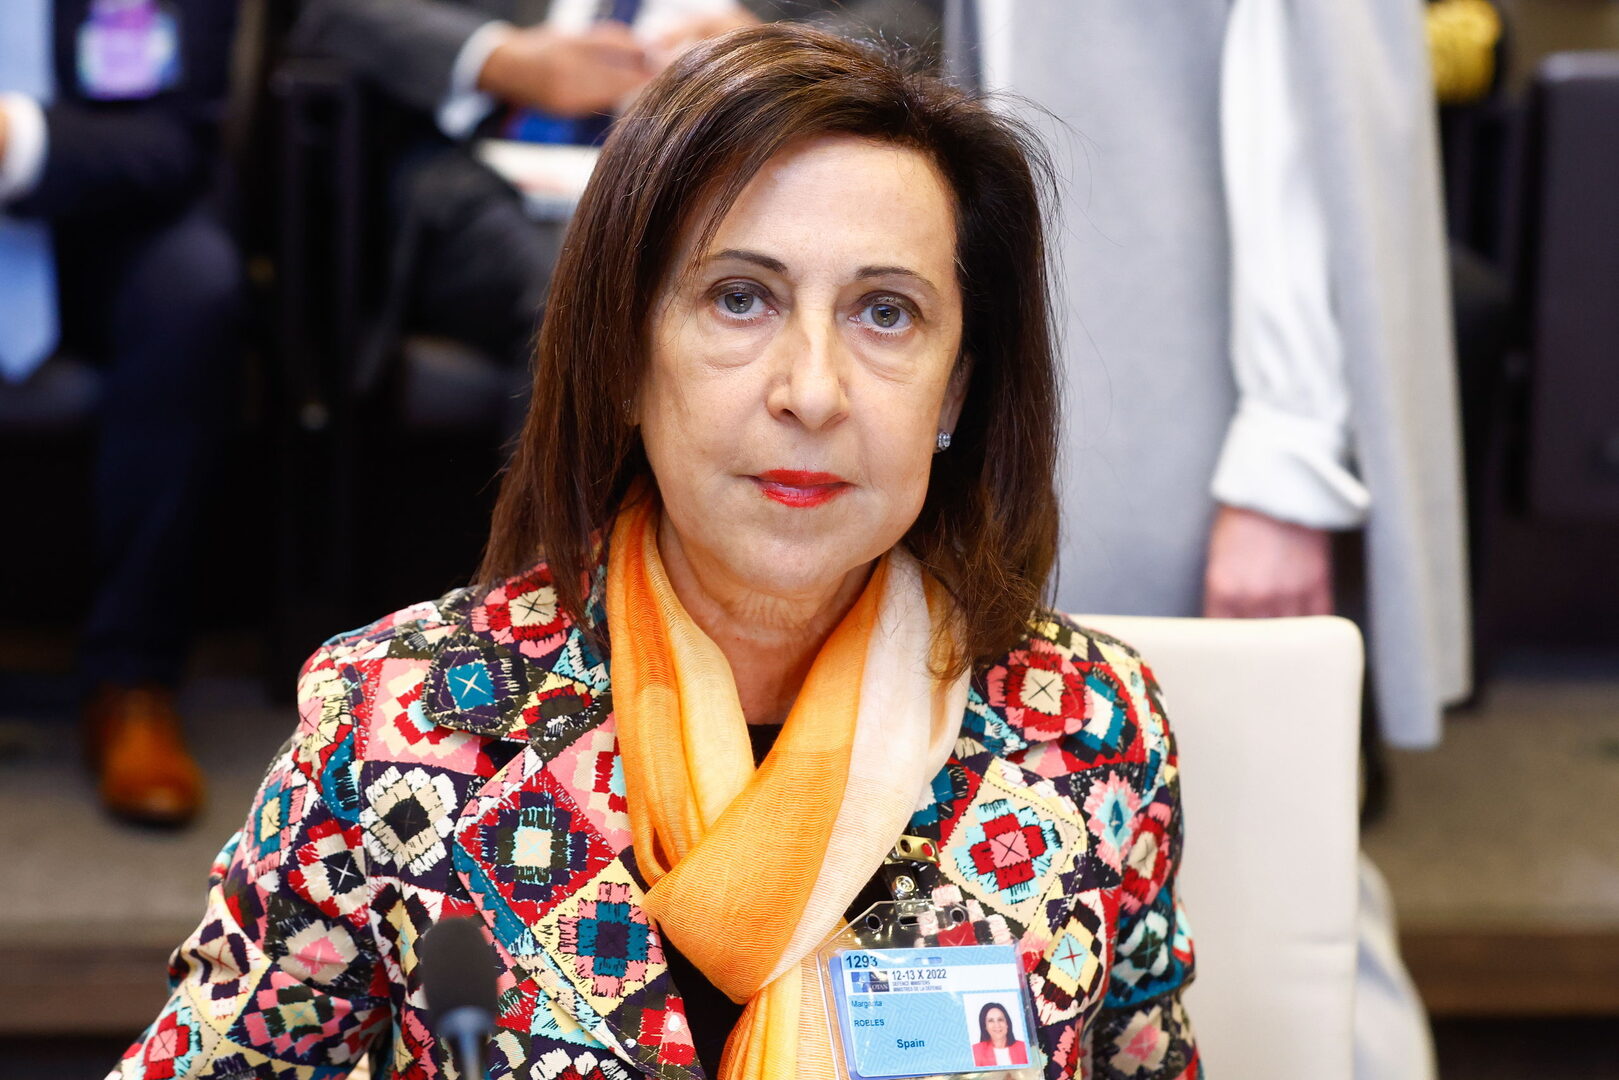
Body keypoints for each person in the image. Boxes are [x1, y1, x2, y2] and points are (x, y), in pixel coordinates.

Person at [111, 25, 1199, 1080]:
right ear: (624, 357)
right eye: (740, 299)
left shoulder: (1085, 732)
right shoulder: (406, 728)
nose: (811, 391)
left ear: (954, 392)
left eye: (884, 313)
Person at [958, 2, 1467, 1078]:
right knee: (1091, 833)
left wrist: (1286, 458)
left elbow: (1304, 88)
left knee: (1263, 862)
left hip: (1179, 409)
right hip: (1074, 384)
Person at [290, 0, 942, 372]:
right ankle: (568, 567)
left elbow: (919, 19)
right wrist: (501, 59)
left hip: (730, 172)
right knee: (587, 288)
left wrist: (769, 54)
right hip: (487, 173)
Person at [0, 0, 242, 826]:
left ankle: (132, 676)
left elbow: (172, 141)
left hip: (99, 215)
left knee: (193, 289)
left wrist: (13, 140)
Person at [971, 1002, 1030, 1067]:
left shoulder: (1025, 1048)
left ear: (1007, 1023)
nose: (997, 1025)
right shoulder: (975, 1051)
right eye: (991, 1020)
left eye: (1000, 1020)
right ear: (985, 1026)